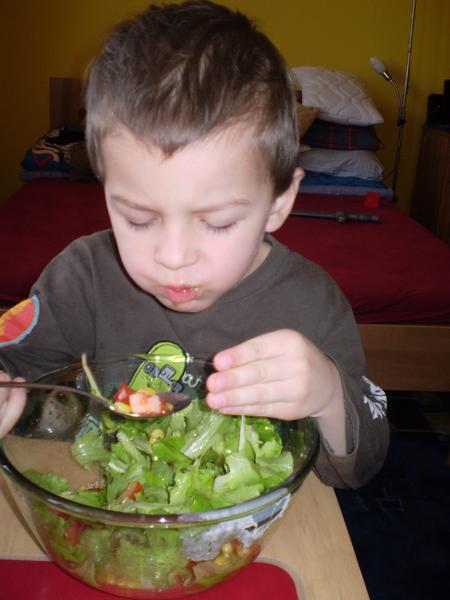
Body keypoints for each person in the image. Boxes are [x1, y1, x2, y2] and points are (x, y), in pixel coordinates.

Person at [0, 0, 388, 488]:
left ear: (279, 203)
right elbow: (13, 358)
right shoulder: (81, 276)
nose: (173, 257)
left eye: (218, 223)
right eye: (138, 219)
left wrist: (328, 393)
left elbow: (365, 463)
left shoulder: (312, 304)